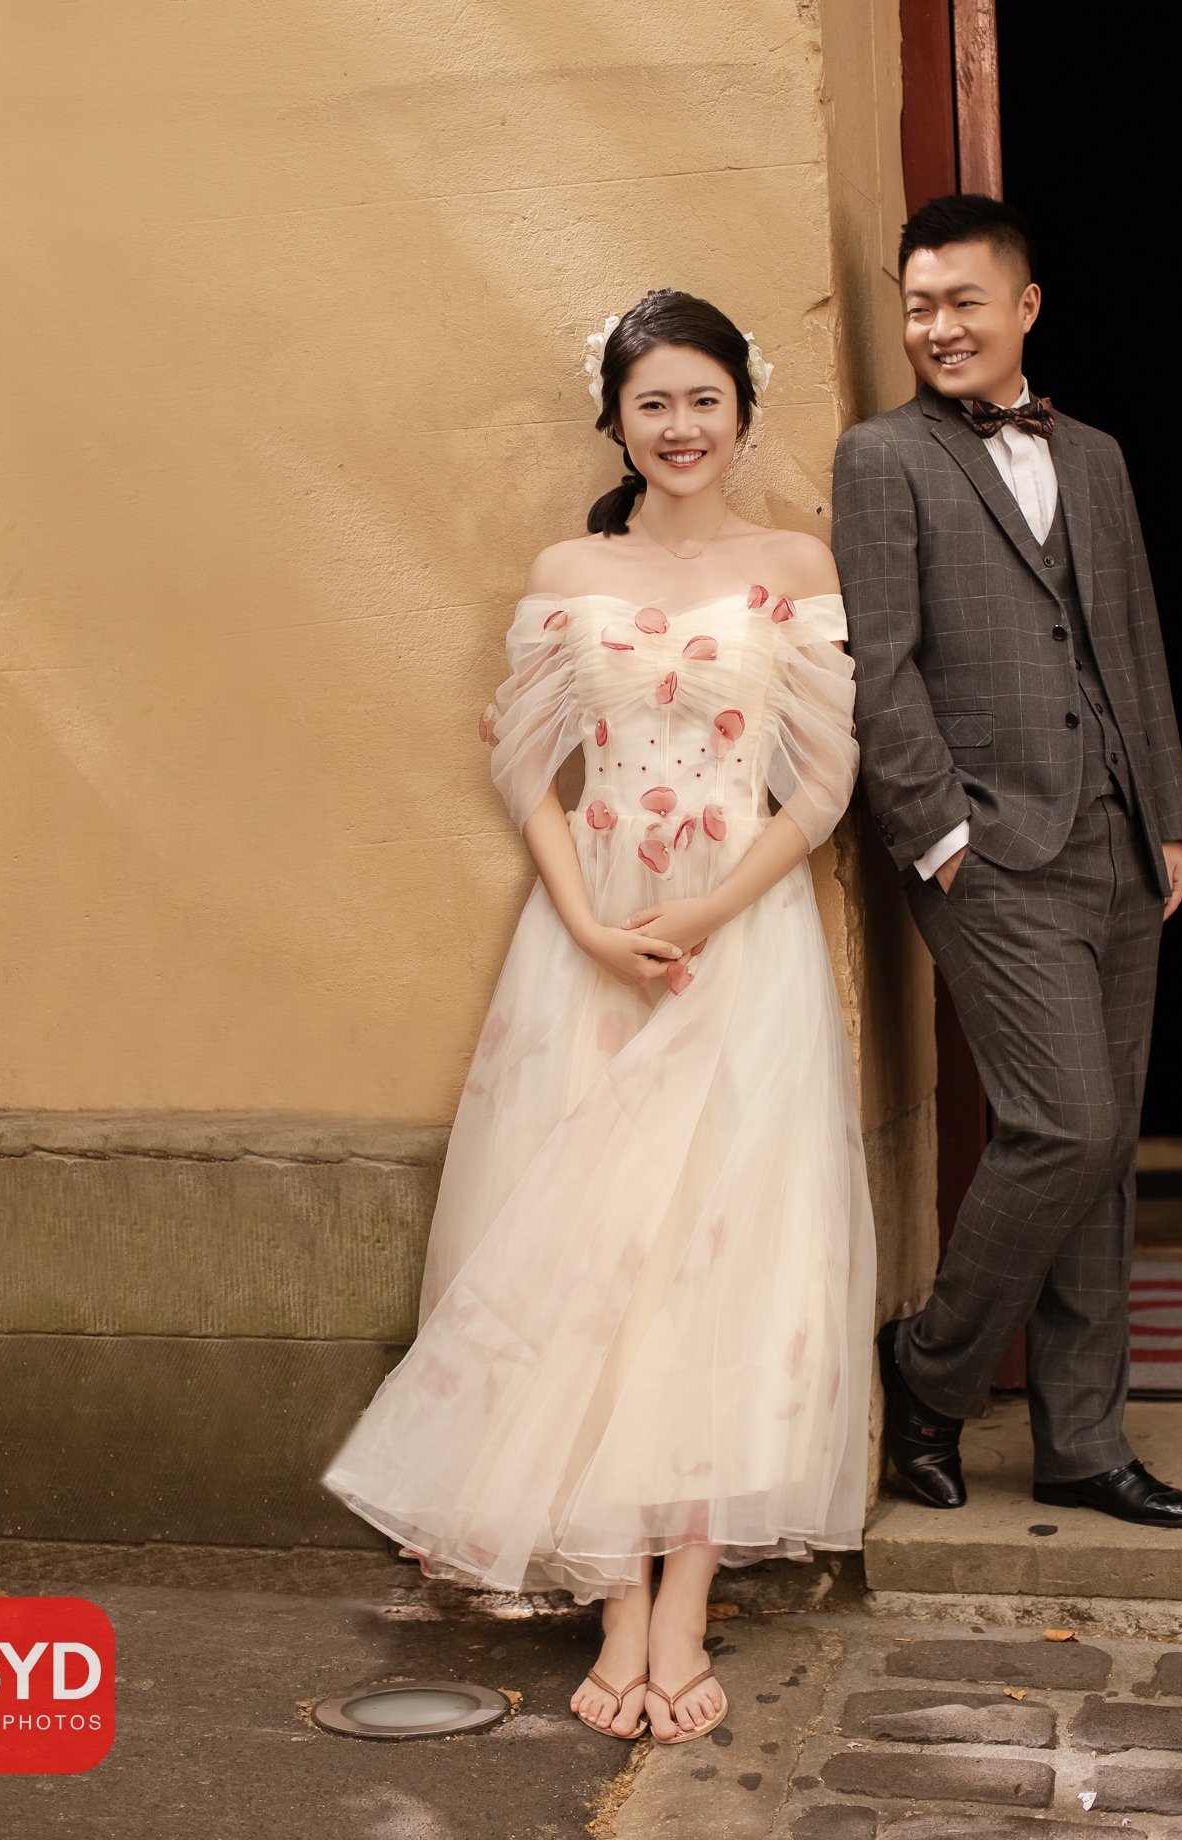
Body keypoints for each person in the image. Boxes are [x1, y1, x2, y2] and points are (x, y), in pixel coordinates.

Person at [324, 289, 875, 1744]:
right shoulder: (570, 569)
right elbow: (527, 769)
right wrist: (584, 924)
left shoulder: (794, 564)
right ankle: (617, 1601)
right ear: (615, 422)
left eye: (703, 400)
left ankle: (682, 1604)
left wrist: (703, 915)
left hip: (735, 943)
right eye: (653, 404)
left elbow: (823, 784)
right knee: (596, 1265)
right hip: (589, 942)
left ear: (742, 410)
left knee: (720, 1261)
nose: (681, 427)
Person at [830, 194, 1182, 1529]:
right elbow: (879, 664)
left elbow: (1132, 643)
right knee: (1067, 1126)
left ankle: (1082, 1443)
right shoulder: (882, 459)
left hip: (1117, 839)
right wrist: (939, 834)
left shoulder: (1094, 457)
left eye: (963, 302)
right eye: (917, 306)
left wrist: (1166, 817)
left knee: (1105, 1158)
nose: (937, 327)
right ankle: (931, 1372)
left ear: (1024, 307)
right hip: (987, 845)